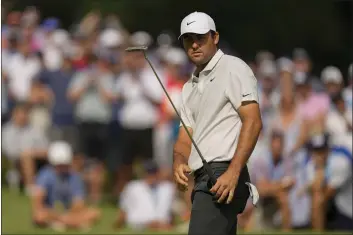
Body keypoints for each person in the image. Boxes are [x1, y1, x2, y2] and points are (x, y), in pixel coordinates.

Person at [173, 12, 262, 235]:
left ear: (215, 37)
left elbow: (253, 121)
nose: (194, 45)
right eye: (188, 39)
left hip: (225, 172)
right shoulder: (188, 88)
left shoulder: (233, 67)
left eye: (200, 38)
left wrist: (233, 172)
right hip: (203, 177)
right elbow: (185, 138)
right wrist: (179, 160)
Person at [31, 141, 100, 231]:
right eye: (59, 165)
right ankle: (74, 224)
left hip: (69, 212)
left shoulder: (74, 176)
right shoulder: (45, 174)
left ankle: (61, 223)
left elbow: (79, 203)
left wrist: (66, 214)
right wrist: (54, 213)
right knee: (39, 216)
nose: (62, 167)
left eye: (64, 164)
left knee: (95, 213)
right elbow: (37, 202)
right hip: (50, 212)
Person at [303, 134, 352, 232]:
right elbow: (313, 189)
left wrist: (320, 173)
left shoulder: (340, 162)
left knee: (319, 199)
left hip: (346, 211)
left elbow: (329, 191)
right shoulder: (311, 165)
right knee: (317, 198)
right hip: (330, 208)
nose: (319, 155)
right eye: (316, 151)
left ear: (328, 150)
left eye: (322, 151)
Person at [251, 130, 295, 231]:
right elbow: (262, 190)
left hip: (276, 199)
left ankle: (286, 231)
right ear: (270, 144)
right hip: (258, 201)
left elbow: (291, 182)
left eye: (280, 144)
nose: (278, 147)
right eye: (275, 143)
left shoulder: (286, 160)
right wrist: (281, 185)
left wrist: (272, 186)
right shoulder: (261, 160)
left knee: (283, 197)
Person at [114, 160, 175, 231]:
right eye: (149, 172)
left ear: (158, 173)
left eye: (153, 172)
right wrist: (118, 224)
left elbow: (171, 211)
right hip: (139, 224)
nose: (151, 175)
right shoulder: (132, 187)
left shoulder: (168, 188)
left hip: (162, 224)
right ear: (144, 173)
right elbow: (124, 209)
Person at [2, 102, 49, 193]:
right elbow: (10, 152)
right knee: (26, 156)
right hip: (15, 161)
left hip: (38, 159)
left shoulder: (35, 129)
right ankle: (30, 187)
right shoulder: (6, 131)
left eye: (25, 113)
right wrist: (28, 153)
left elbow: (46, 147)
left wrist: (33, 152)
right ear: (14, 115)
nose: (23, 116)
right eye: (21, 114)